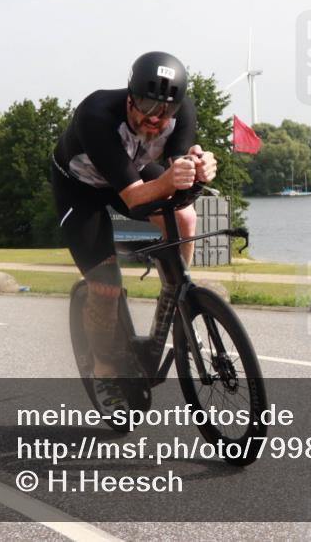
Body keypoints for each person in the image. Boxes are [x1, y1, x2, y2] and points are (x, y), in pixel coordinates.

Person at [51, 51, 216, 407]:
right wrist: (173, 180)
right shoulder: (96, 114)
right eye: (146, 105)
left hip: (133, 173)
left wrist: (199, 170)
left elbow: (179, 179)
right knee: (106, 286)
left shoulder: (182, 112)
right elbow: (135, 198)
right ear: (129, 96)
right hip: (81, 188)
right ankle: (105, 371)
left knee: (186, 217)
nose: (156, 119)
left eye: (166, 111)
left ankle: (176, 301)